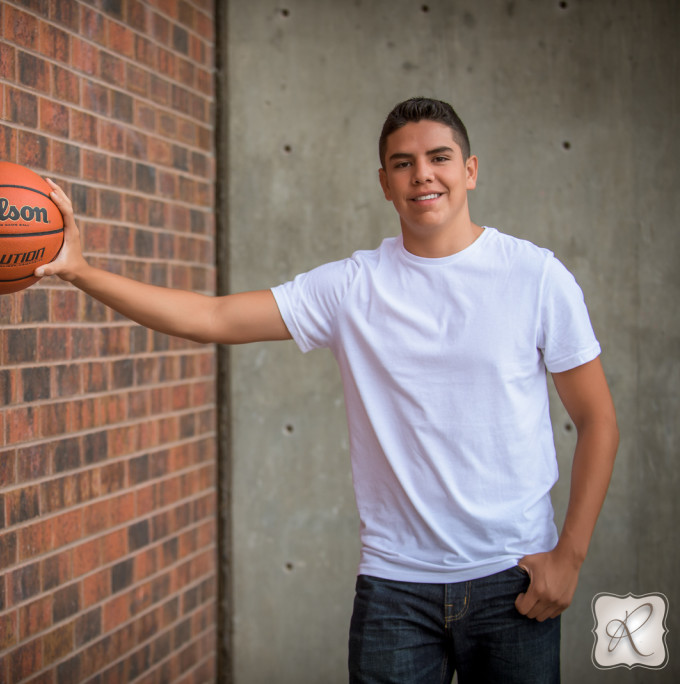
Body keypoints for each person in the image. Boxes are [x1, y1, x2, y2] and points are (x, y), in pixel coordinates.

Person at [35, 97, 619, 683]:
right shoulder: (350, 288)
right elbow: (210, 318)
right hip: (396, 588)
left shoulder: (536, 276)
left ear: (469, 169)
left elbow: (598, 420)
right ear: (385, 183)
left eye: (439, 157)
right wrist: (82, 271)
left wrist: (569, 557)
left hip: (513, 578)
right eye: (402, 163)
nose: (422, 174)